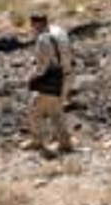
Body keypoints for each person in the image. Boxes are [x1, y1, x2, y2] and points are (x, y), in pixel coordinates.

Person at [24, 10, 74, 156]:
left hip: (52, 79)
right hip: (67, 75)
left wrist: (32, 77)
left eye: (33, 25)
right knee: (56, 110)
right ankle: (65, 142)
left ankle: (37, 141)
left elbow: (42, 67)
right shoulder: (59, 31)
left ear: (36, 24)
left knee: (34, 109)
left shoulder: (43, 39)